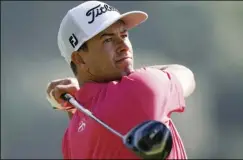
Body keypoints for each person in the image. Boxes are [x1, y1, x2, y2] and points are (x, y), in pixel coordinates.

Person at [46, 1, 196, 159]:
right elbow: (185, 73)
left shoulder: (71, 136)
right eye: (108, 40)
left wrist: (75, 101)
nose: (123, 45)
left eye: (124, 35)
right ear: (79, 59)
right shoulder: (140, 87)